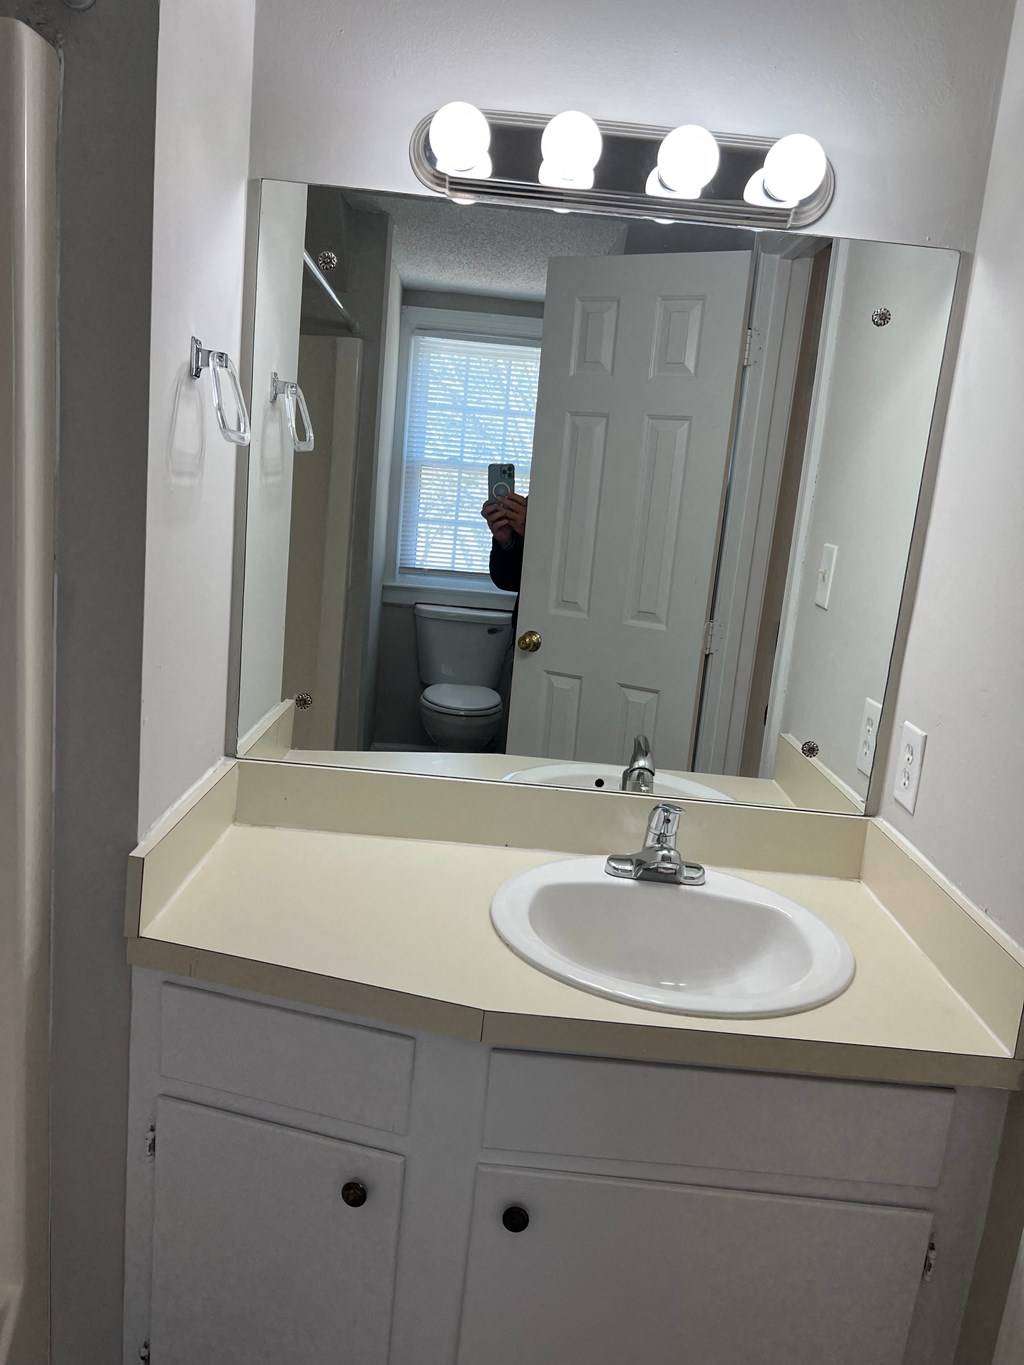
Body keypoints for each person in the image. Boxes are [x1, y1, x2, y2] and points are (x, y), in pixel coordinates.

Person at [481, 492, 528, 600]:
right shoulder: (534, 502)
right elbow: (507, 582)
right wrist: (507, 542)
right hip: (527, 611)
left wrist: (532, 532)